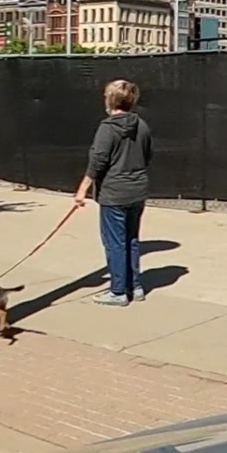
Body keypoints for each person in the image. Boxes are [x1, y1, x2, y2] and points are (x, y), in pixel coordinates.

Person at [68, 77, 153, 304]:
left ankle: (118, 291)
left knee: (115, 242)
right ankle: (134, 286)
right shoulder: (142, 125)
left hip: (115, 192)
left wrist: (82, 190)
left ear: (111, 99)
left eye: (106, 95)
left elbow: (98, 161)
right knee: (131, 239)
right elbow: (147, 155)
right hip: (137, 190)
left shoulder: (107, 128)